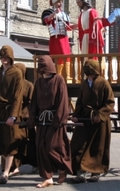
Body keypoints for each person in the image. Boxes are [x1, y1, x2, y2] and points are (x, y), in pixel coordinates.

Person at [28, 55, 72, 188]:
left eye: (44, 67)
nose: (43, 70)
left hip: (54, 120)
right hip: (42, 120)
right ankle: (48, 177)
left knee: (52, 146)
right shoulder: (39, 82)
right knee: (41, 147)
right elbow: (34, 101)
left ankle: (63, 167)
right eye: (41, 68)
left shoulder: (59, 80)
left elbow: (63, 100)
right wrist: (32, 117)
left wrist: (59, 119)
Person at [70, 59, 115, 183]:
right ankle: (81, 172)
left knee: (97, 146)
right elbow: (79, 101)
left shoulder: (103, 83)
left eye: (89, 70)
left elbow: (110, 102)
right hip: (85, 118)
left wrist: (100, 115)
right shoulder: (84, 83)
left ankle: (96, 171)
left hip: (99, 121)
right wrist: (76, 115)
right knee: (79, 144)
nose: (87, 73)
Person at [0, 45, 24, 184]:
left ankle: (6, 173)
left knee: (10, 142)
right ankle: (7, 169)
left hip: (8, 112)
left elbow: (17, 97)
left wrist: (13, 115)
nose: (4, 60)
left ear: (11, 58)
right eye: (2, 58)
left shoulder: (17, 73)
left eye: (7, 58)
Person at [11, 63, 37, 176]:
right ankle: (14, 166)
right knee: (13, 142)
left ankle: (35, 163)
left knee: (30, 142)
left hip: (25, 119)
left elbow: (31, 102)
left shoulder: (29, 85)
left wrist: (28, 115)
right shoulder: (12, 84)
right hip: (14, 119)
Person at [42, 0, 72, 78]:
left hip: (64, 37)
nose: (61, 3)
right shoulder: (48, 12)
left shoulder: (64, 14)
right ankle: (58, 74)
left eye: (61, 2)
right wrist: (54, 14)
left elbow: (68, 27)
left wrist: (78, 25)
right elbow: (46, 20)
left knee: (66, 55)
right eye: (59, 2)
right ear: (55, 3)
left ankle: (67, 75)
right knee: (58, 56)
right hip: (55, 39)